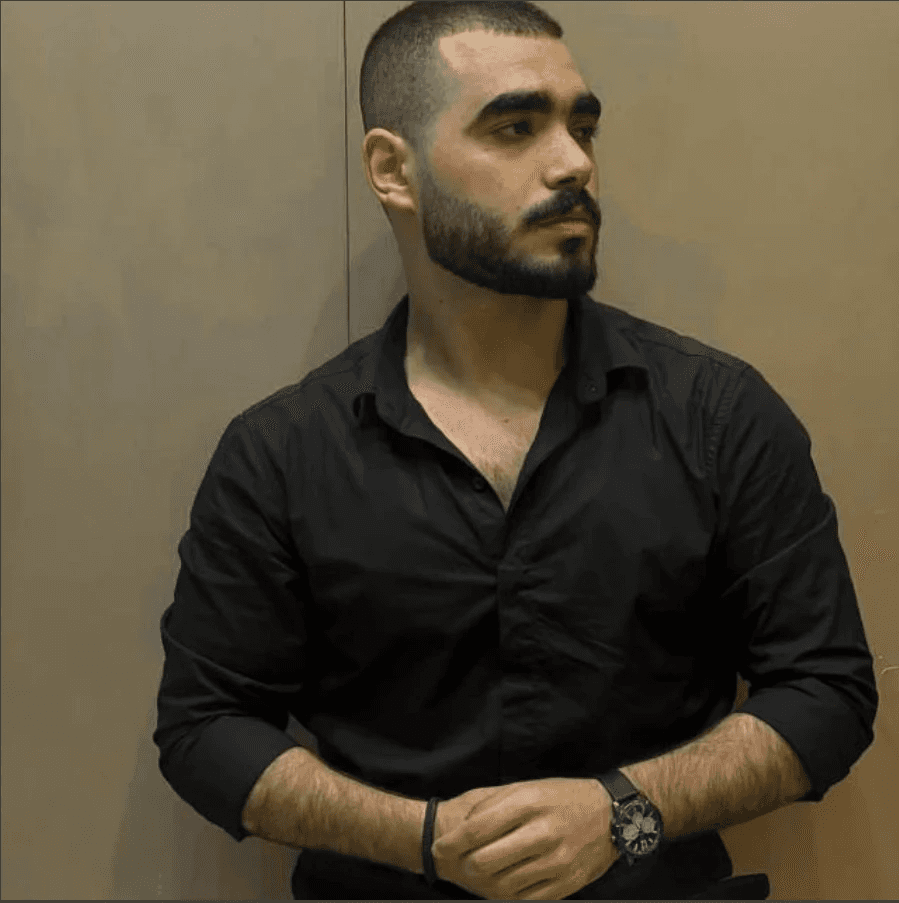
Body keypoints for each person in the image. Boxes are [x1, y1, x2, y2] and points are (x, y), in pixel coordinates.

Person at [153, 2, 879, 899]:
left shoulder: (719, 415)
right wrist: (424, 840)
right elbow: (205, 726)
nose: (573, 162)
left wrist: (622, 813)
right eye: (514, 127)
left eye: (582, 126)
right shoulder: (280, 454)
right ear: (393, 170)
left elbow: (825, 690)